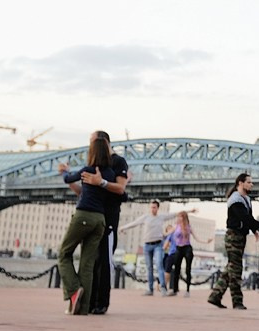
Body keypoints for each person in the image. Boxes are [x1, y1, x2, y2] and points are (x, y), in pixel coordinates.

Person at [60, 131, 130, 315]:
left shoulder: (117, 162)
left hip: (108, 218)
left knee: (102, 260)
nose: (89, 145)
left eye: (91, 141)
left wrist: (101, 182)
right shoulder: (96, 166)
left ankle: (100, 302)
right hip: (95, 216)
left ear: (103, 142)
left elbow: (121, 190)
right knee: (89, 261)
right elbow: (82, 192)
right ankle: (86, 303)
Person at [206, 172, 259, 310]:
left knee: (231, 267)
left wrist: (255, 230)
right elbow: (244, 217)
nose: (252, 185)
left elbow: (249, 219)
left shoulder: (246, 199)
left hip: (241, 236)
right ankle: (237, 301)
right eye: (249, 182)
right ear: (240, 183)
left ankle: (215, 296)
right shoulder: (235, 199)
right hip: (233, 236)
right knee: (236, 270)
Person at [122, 200, 181, 296]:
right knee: (149, 267)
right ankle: (150, 289)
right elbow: (135, 223)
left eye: (154, 207)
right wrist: (123, 228)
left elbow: (174, 214)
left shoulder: (161, 217)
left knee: (159, 265)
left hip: (158, 244)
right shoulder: (145, 217)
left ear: (158, 208)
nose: (152, 209)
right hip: (147, 245)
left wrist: (190, 211)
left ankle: (163, 288)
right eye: (151, 207)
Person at [167, 210, 210, 297]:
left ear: (184, 218)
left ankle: (187, 290)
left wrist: (206, 241)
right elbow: (167, 233)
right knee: (176, 269)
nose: (179, 218)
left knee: (188, 269)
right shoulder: (176, 226)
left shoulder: (188, 227)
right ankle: (175, 289)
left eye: (180, 217)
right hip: (178, 248)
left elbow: (196, 238)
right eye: (178, 217)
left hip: (187, 248)